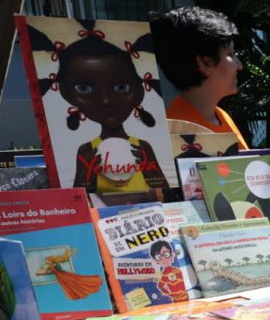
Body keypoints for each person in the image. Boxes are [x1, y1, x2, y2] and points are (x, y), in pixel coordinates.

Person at [24, 19, 169, 195]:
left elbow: (166, 192)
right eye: (84, 89)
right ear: (67, 94)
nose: (106, 101)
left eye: (121, 87)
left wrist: (149, 167)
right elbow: (79, 198)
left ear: (139, 91)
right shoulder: (86, 151)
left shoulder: (143, 147)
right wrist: (88, 171)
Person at [150, 7, 249, 150]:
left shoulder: (221, 115)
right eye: (231, 54)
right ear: (205, 63)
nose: (240, 65)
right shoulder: (179, 134)